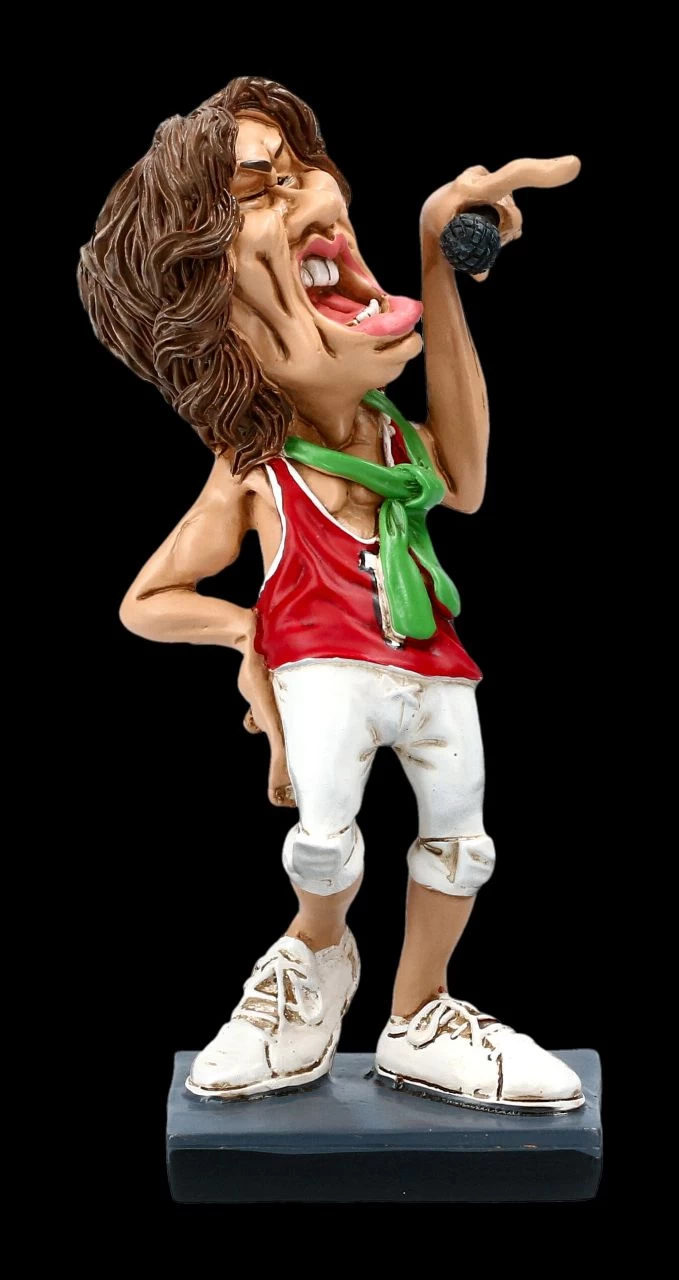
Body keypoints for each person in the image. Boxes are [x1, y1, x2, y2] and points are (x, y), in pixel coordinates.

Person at [79, 75, 584, 1111]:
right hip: (321, 666)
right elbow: (149, 597)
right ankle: (311, 960)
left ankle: (419, 1011)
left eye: (302, 169)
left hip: (429, 655)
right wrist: (248, 637)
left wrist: (437, 261)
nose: (313, 194)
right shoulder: (258, 468)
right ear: (218, 328)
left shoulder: (398, 445)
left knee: (462, 837)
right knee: (320, 838)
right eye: (258, 189)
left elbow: (467, 483)